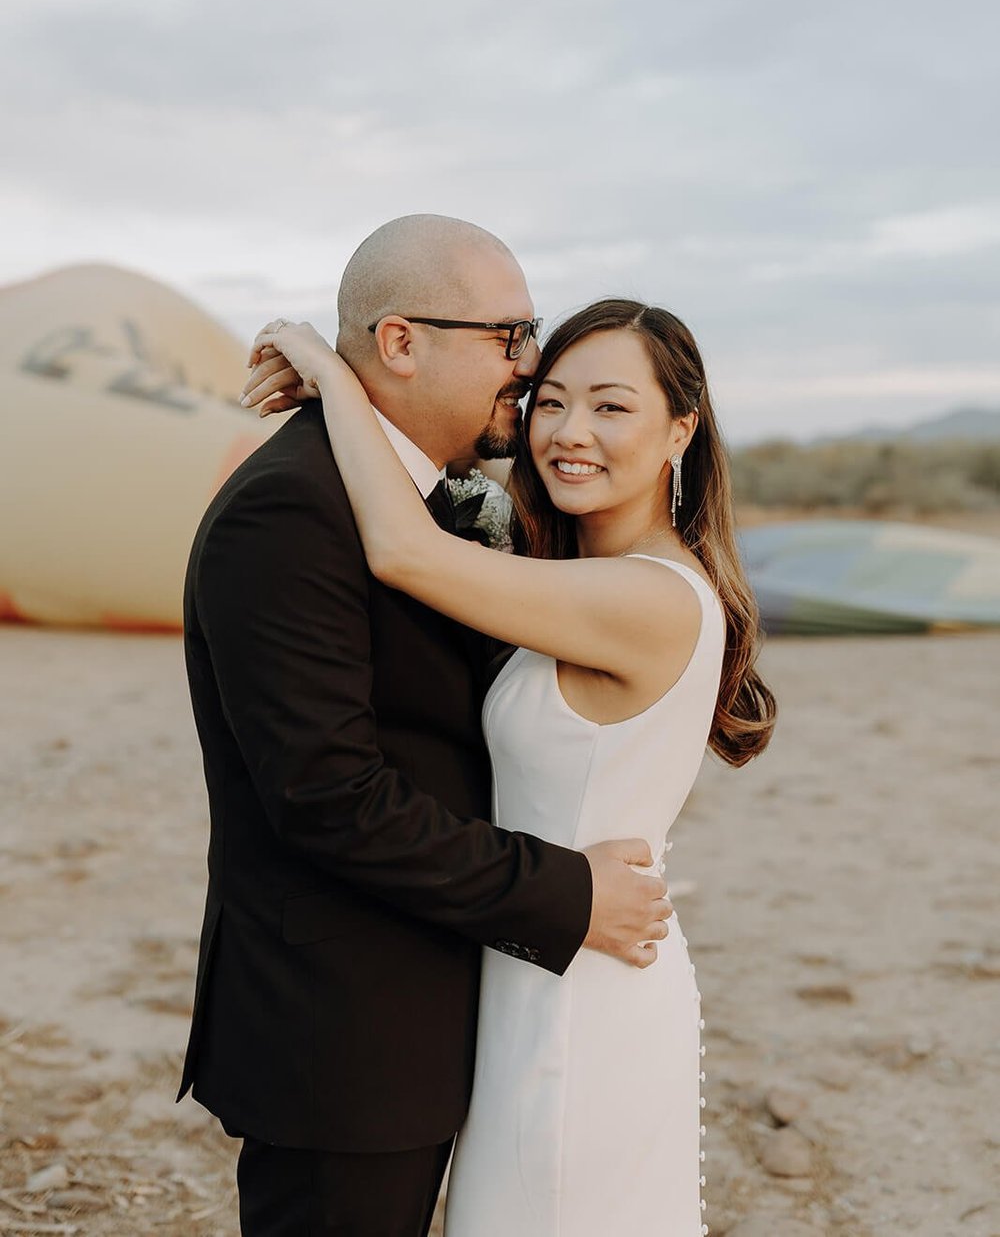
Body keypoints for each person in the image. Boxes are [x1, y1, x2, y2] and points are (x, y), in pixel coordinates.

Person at [178, 215, 672, 1237]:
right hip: (345, 1030)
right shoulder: (291, 511)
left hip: (455, 1004)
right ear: (399, 343)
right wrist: (565, 894)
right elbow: (329, 796)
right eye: (510, 338)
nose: (529, 372)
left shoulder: (438, 506)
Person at [242, 295, 777, 1237]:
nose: (570, 434)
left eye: (612, 407)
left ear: (680, 430)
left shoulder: (651, 599)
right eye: (553, 402)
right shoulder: (562, 579)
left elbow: (401, 551)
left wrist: (334, 375)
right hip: (531, 964)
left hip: (587, 997)